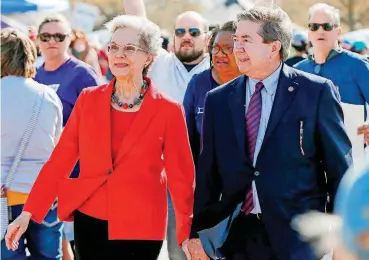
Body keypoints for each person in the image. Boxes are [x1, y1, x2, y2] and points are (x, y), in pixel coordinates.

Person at [5, 14, 195, 260]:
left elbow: (182, 179)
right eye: (114, 47)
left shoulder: (169, 110)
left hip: (142, 225)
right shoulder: (88, 99)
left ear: (149, 56)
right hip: (91, 219)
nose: (119, 54)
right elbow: (60, 160)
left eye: (129, 48)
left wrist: (187, 234)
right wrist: (29, 212)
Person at [190, 6, 352, 260]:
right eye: (236, 40)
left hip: (298, 238)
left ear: (273, 47)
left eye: (246, 40)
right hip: (236, 236)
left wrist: (344, 236)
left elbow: (339, 169)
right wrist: (196, 232)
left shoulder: (316, 92)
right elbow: (207, 173)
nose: (237, 48)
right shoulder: (218, 100)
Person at [123, 1, 211, 259]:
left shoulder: (220, 68)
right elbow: (137, 19)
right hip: (170, 178)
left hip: (210, 176)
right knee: (177, 250)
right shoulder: (159, 64)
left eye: (194, 32)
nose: (186, 37)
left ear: (206, 37)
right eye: (181, 32)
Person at [33, 15, 100, 259]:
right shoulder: (33, 75)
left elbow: (100, 125)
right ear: (37, 40)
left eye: (59, 36)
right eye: (46, 36)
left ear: (69, 38)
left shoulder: (84, 75)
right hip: (42, 177)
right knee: (55, 244)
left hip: (78, 176)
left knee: (79, 245)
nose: (52, 41)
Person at [1, 28, 63, 260]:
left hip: (4, 197)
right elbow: (57, 148)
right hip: (43, 195)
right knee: (47, 257)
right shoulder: (48, 96)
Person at [294, 3, 369, 161]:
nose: (320, 31)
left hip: (350, 162)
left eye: (327, 26)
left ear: (338, 32)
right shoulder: (297, 70)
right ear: (309, 33)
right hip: (309, 167)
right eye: (314, 26)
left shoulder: (358, 65)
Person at [183, 20, 241, 169]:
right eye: (215, 48)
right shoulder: (198, 83)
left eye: (228, 48)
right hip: (206, 178)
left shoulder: (254, 83)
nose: (219, 54)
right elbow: (184, 137)